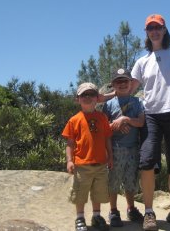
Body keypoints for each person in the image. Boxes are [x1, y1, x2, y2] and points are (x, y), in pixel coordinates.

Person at [130, 14, 170, 230]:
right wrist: (104, 98)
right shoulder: (142, 62)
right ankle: (149, 213)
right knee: (147, 161)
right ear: (147, 33)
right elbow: (129, 89)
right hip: (151, 116)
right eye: (150, 28)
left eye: (158, 27)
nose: (154, 31)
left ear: (165, 30)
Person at [62, 82, 113, 231]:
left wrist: (110, 157)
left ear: (97, 98)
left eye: (91, 94)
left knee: (99, 193)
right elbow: (70, 143)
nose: (88, 97)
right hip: (82, 165)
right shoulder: (74, 120)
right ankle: (80, 218)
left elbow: (107, 138)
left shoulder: (102, 117)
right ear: (78, 99)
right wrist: (69, 161)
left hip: (101, 164)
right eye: (84, 95)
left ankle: (96, 216)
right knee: (80, 193)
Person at [102, 68, 145, 227]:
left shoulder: (137, 102)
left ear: (131, 83)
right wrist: (117, 125)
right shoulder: (108, 104)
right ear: (113, 85)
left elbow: (141, 122)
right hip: (115, 148)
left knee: (130, 181)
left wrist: (126, 119)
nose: (122, 84)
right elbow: (104, 126)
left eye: (125, 81)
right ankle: (113, 211)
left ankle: (131, 208)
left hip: (133, 148)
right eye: (118, 81)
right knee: (114, 180)